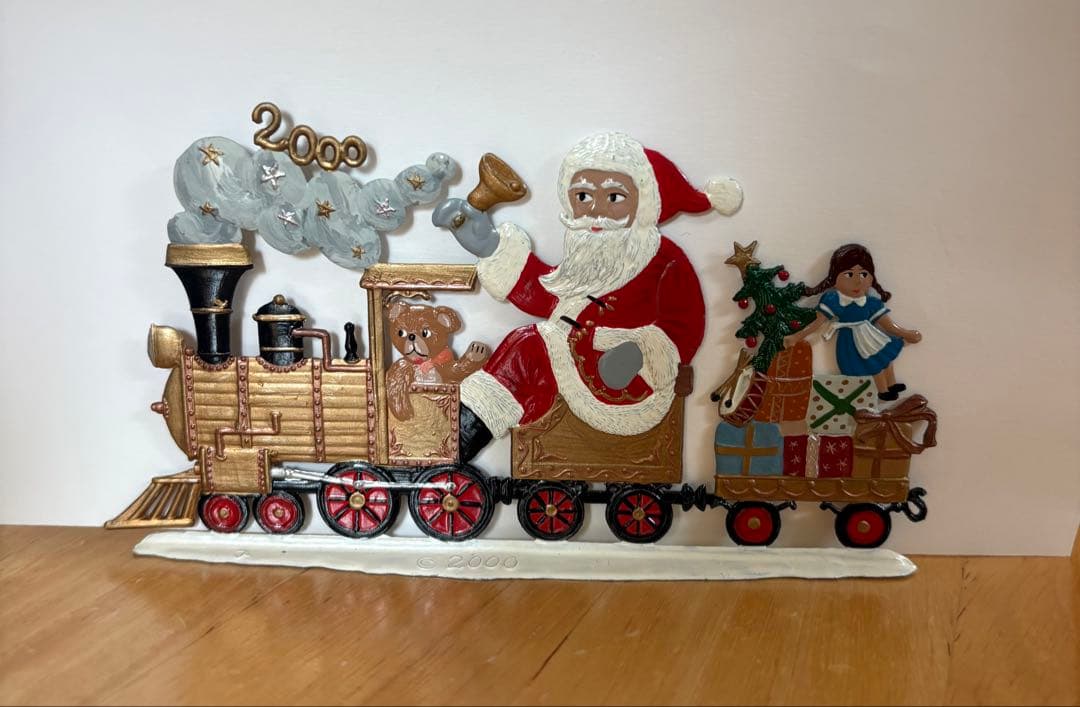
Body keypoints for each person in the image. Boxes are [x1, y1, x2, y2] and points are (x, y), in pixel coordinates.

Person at [433, 132, 743, 460]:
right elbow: (546, 292)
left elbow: (685, 322)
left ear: (643, 201)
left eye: (614, 197)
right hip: (575, 355)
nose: (595, 210)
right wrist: (490, 247)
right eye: (583, 196)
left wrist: (646, 350)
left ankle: (458, 441)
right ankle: (459, 437)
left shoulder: (664, 259)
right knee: (528, 344)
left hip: (632, 383)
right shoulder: (589, 258)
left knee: (530, 344)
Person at [783, 243, 922, 401]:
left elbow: (888, 325)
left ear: (871, 278)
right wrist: (797, 336)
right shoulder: (834, 300)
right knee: (873, 363)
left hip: (871, 335)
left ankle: (891, 384)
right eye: (849, 274)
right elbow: (817, 323)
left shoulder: (871, 303)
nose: (857, 281)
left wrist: (905, 333)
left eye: (863, 274)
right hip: (852, 341)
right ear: (834, 279)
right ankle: (883, 390)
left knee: (886, 357)